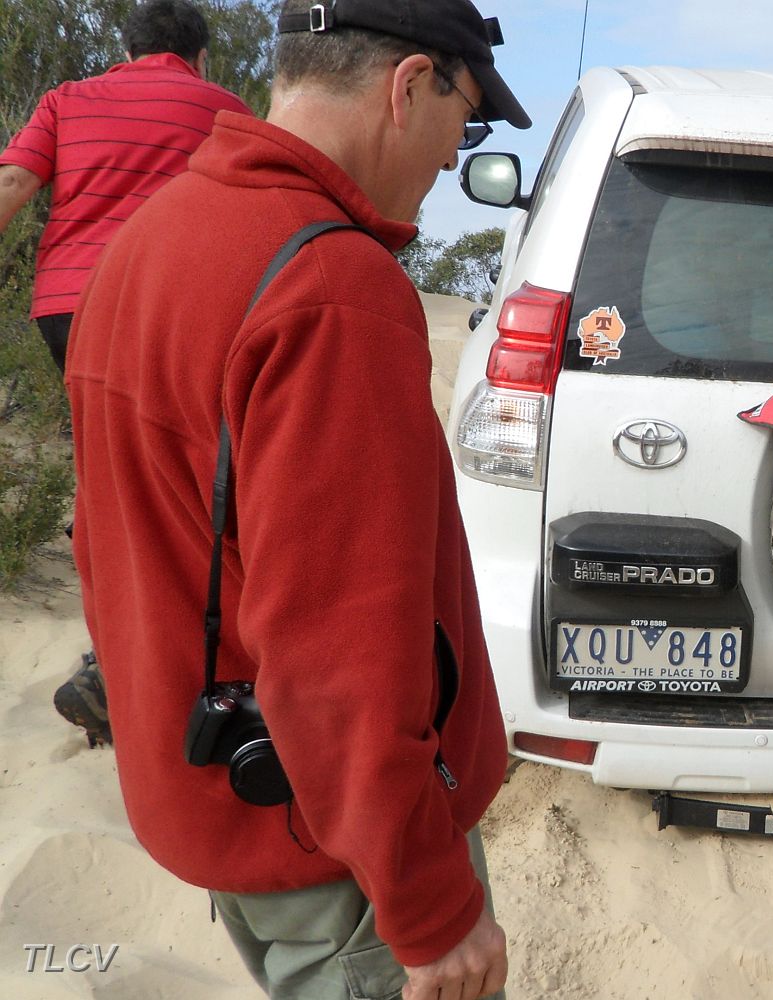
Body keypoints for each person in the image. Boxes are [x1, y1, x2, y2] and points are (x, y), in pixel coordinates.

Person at [64, 0, 530, 996]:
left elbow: (102, 544)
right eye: (469, 118)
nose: (455, 160)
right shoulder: (331, 287)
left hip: (231, 808)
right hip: (340, 858)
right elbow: (342, 652)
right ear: (410, 85)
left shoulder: (148, 240)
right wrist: (431, 908)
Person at [0, 0, 251, 748]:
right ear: (201, 56)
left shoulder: (67, 100)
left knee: (106, 477)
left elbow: (13, 185)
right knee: (186, 483)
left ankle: (117, 659)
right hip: (172, 309)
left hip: (71, 309)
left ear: (128, 49)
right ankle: (135, 668)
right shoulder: (224, 110)